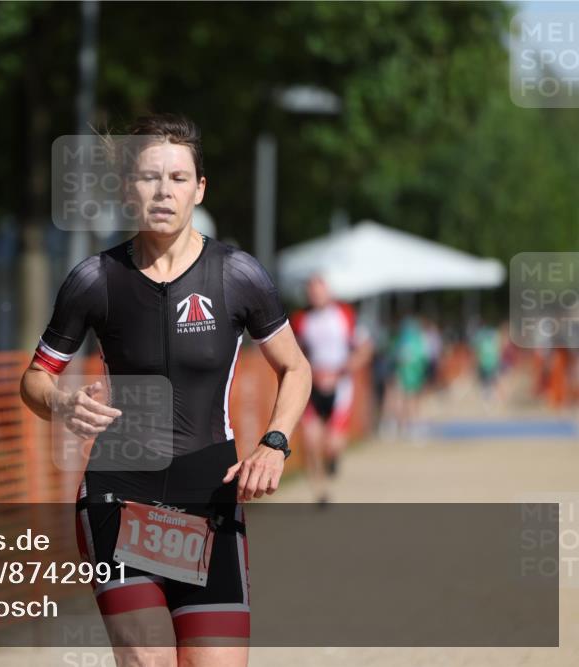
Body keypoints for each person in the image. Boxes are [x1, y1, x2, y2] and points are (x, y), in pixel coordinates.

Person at [20, 114, 311, 667]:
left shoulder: (237, 275)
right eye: (150, 177)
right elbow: (35, 378)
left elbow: (296, 368)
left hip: (209, 496)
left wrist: (275, 442)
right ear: (130, 188)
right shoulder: (95, 280)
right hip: (119, 493)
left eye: (178, 178)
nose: (163, 191)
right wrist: (60, 401)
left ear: (199, 189)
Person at [290, 276, 372, 505]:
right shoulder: (300, 320)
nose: (315, 295)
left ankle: (333, 458)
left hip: (340, 385)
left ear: (328, 292)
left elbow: (365, 349)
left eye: (319, 290)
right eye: (311, 291)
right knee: (310, 441)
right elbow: (293, 352)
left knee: (332, 444)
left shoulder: (345, 315)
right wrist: (309, 373)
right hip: (313, 385)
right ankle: (320, 491)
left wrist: (342, 371)